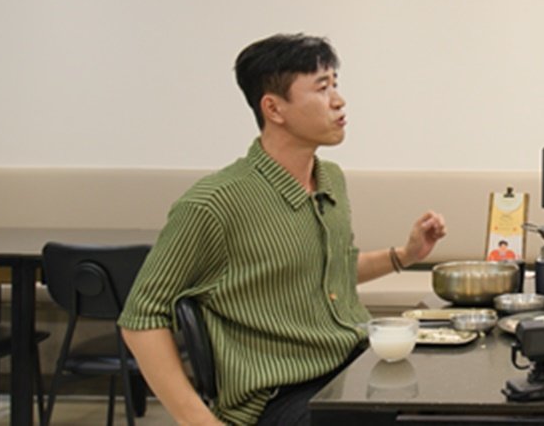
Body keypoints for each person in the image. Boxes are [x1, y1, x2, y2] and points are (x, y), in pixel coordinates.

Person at [118, 34, 447, 426]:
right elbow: (141, 319)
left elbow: (330, 270)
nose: (339, 101)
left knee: (464, 401)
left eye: (336, 85)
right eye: (322, 88)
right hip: (281, 397)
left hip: (351, 367)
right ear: (274, 108)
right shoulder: (213, 203)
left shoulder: (330, 179)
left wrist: (406, 255)